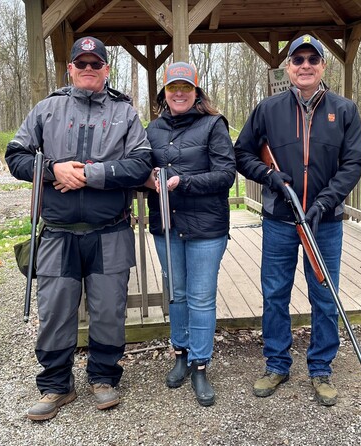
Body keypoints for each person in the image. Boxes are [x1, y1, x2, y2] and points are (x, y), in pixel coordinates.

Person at [5, 36, 152, 420]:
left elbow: (141, 164)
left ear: (106, 69)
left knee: (108, 310)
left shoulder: (125, 113)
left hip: (111, 231)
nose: (89, 69)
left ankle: (104, 378)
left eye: (96, 64)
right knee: (54, 310)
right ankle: (56, 385)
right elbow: (16, 156)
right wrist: (53, 169)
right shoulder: (45, 109)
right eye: (81, 64)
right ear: (69, 68)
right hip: (57, 232)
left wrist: (90, 175)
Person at [234, 34, 361, 406]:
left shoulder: (345, 110)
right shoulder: (268, 109)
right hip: (280, 217)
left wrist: (325, 201)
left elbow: (354, 162)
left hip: (326, 221)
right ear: (288, 67)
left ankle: (320, 368)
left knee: (324, 295)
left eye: (312, 59)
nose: (305, 65)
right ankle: (276, 364)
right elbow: (242, 153)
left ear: (323, 66)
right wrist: (269, 176)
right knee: (275, 293)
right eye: (298, 59)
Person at [144, 62, 236, 406]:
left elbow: (226, 174)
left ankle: (200, 364)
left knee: (200, 297)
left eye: (186, 87)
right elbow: (140, 167)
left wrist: (185, 181)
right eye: (172, 88)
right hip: (166, 225)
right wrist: (147, 179)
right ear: (163, 94)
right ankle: (180, 353)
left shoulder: (214, 125)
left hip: (207, 227)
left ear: (197, 92)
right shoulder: (151, 129)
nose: (179, 93)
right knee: (177, 294)